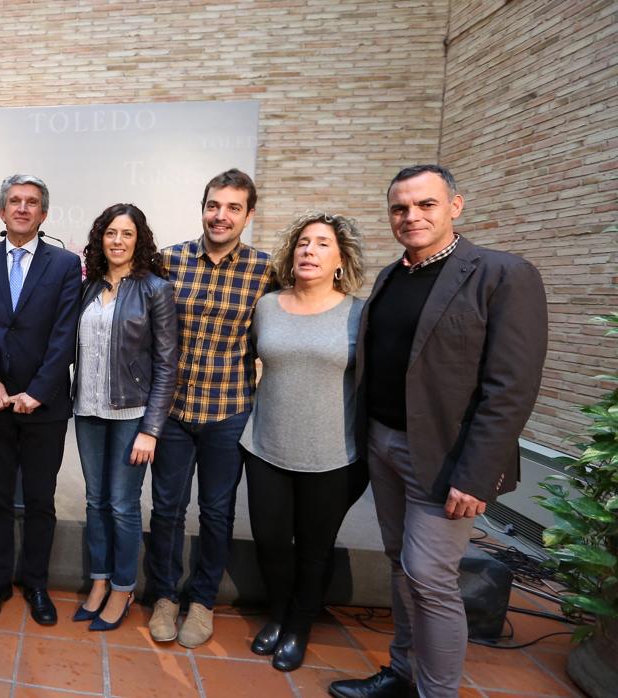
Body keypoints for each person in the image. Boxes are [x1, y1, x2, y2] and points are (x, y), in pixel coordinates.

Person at [329, 165, 547, 698]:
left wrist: (477, 476)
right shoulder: (390, 277)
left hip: (446, 459)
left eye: (425, 204)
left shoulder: (502, 275)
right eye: (401, 208)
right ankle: (402, 673)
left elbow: (511, 388)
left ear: (455, 206)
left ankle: (437, 692)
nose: (412, 217)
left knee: (430, 578)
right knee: (401, 569)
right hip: (382, 444)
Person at [147, 168, 275, 647]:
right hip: (174, 411)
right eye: (213, 205)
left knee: (217, 512)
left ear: (248, 215)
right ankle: (163, 595)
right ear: (203, 207)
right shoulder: (169, 261)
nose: (220, 216)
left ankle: (201, 602)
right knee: (166, 509)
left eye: (233, 208)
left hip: (229, 410)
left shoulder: (266, 271)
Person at [240, 211, 368, 671]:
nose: (309, 251)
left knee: (315, 547)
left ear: (340, 259)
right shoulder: (268, 305)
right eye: (302, 244)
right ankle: (276, 615)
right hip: (266, 445)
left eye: (321, 244)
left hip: (332, 455)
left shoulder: (358, 313)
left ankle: (299, 625)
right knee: (271, 541)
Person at [0, 174, 82, 626]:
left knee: (40, 499)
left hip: (45, 405)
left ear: (44, 213)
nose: (22, 208)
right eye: (14, 201)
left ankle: (35, 583)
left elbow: (64, 334)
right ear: (1, 211)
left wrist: (38, 390)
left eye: (31, 202)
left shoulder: (65, 264)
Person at [72, 204, 178, 632]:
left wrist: (151, 429)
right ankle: (98, 581)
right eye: (110, 233)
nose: (117, 241)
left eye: (126, 234)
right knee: (95, 501)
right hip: (87, 410)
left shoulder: (155, 289)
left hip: (131, 414)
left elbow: (168, 365)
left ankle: (122, 586)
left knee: (121, 504)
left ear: (139, 240)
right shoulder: (89, 287)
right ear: (101, 238)